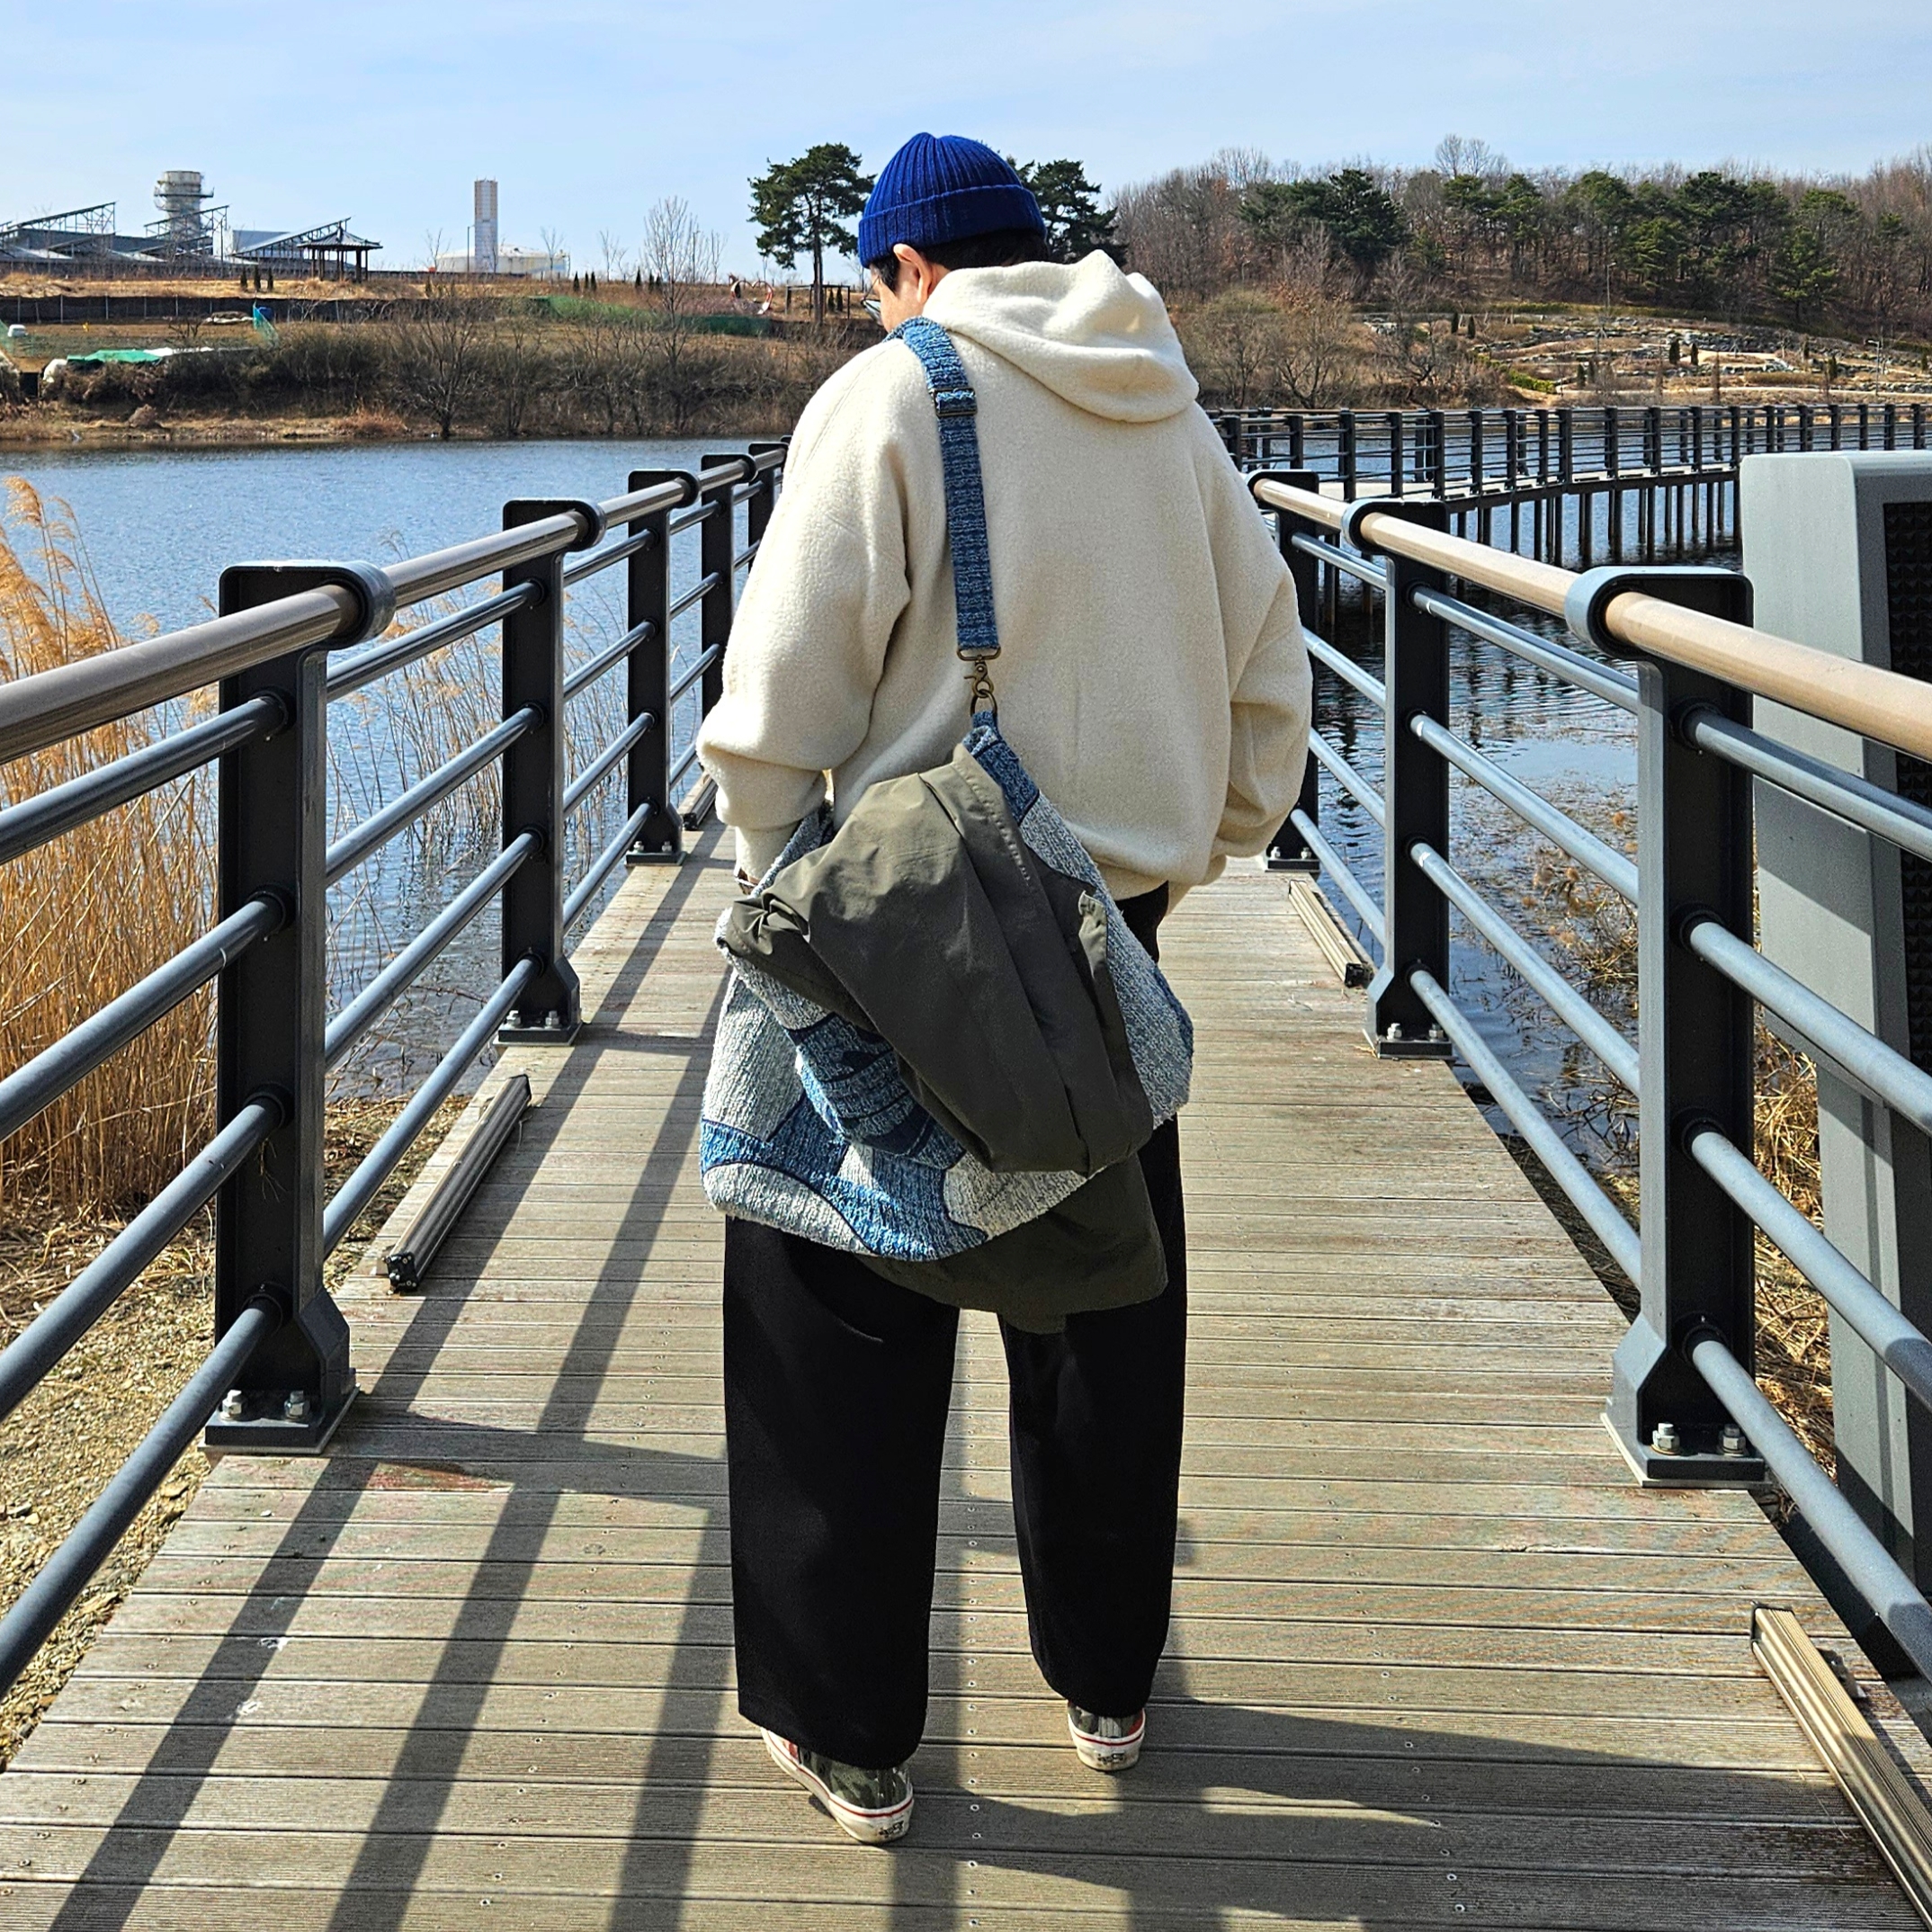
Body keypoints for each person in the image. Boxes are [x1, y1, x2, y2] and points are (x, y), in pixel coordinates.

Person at [695, 131, 1310, 1847]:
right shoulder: (1167, 412)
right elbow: (1273, 676)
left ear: (904, 270)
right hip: (1115, 930)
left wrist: (772, 879)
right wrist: (1201, 838)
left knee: (833, 1308)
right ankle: (1107, 1682)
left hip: (911, 931)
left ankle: (854, 1735)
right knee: (1105, 1301)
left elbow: (774, 712)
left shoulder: (892, 399)